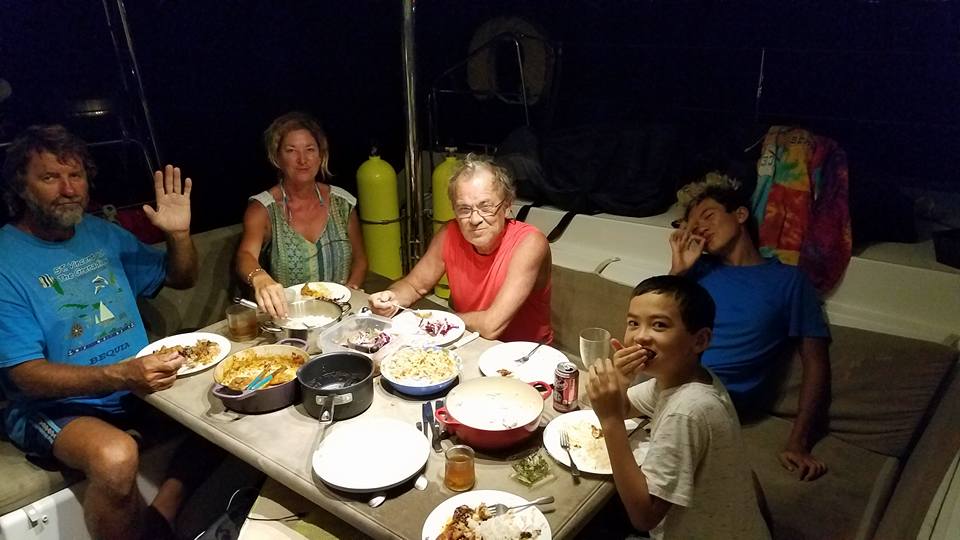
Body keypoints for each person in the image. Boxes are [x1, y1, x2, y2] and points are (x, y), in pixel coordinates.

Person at [0, 125, 202, 539]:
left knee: (224, 400)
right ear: (21, 186)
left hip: (132, 386)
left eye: (75, 175)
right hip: (54, 406)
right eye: (50, 177)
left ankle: (161, 518)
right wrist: (121, 374)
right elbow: (25, 376)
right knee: (115, 456)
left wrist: (178, 235)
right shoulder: (6, 260)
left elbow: (180, 277)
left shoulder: (101, 232)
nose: (68, 189)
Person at [664, 173, 831, 481]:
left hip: (720, 400)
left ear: (740, 214)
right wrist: (678, 272)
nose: (699, 227)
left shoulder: (789, 281)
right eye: (692, 225)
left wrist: (798, 442)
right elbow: (654, 326)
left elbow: (816, 363)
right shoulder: (696, 271)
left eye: (708, 215)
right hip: (671, 383)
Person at [588, 275, 770, 539]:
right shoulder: (678, 377)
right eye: (633, 323)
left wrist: (610, 421)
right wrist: (621, 382)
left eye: (659, 325)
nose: (640, 336)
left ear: (700, 340)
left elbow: (644, 517)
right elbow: (626, 407)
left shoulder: (687, 410)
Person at [368, 154, 552, 343]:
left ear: (506, 206)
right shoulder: (449, 234)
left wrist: (439, 321)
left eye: (486, 207)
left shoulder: (529, 243)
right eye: (464, 209)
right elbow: (414, 286)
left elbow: (491, 326)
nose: (475, 219)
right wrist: (392, 298)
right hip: (470, 340)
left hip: (525, 353)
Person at [236, 111, 367, 318]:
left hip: (342, 314)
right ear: (277, 158)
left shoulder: (343, 203)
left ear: (321, 155)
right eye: (291, 151)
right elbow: (245, 255)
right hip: (290, 318)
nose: (302, 159)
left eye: (310, 150)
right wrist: (259, 278)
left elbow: (360, 260)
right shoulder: (263, 209)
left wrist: (351, 291)